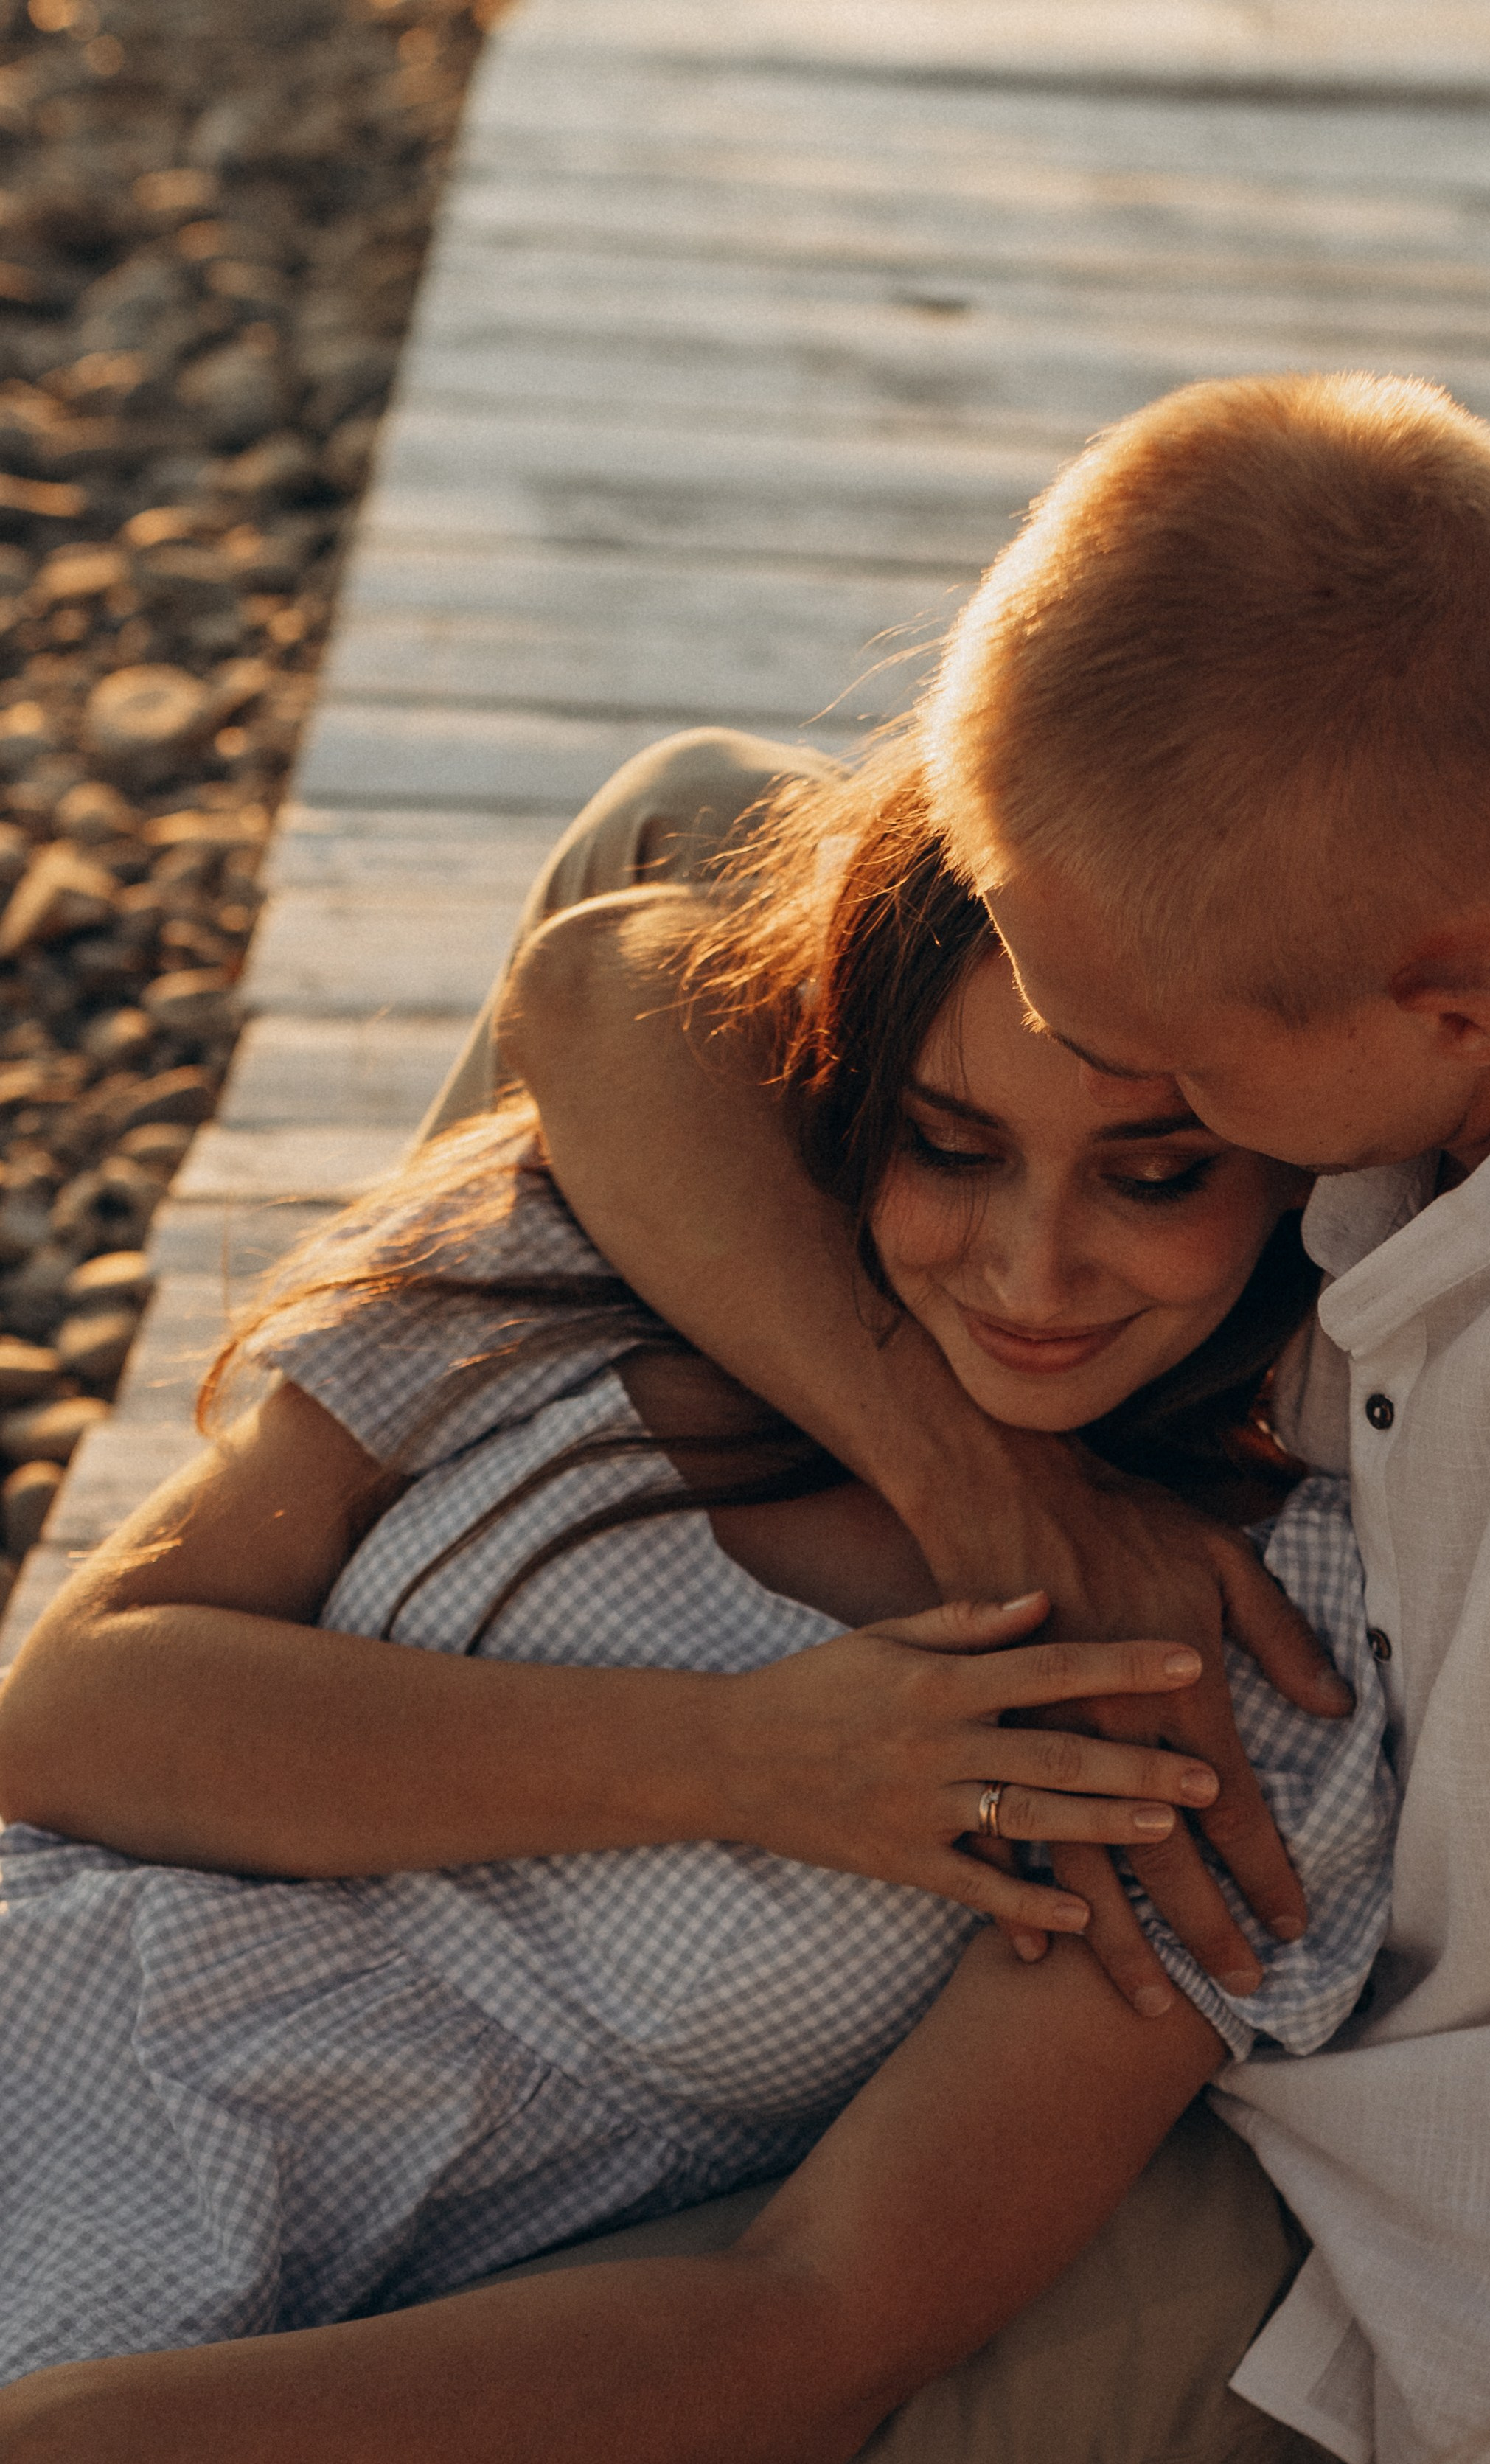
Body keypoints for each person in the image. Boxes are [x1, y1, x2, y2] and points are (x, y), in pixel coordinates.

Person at [497, 372, 1490, 2459]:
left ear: (1450, 1008)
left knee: (616, 2367)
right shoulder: (1415, 941)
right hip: (1060, 1878)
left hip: (1395, 2203)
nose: (1084, 1070)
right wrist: (981, 1479)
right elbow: (632, 903)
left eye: (1152, 1083)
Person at [0, 767, 1389, 2451]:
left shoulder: (1242, 1664)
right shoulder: (620, 1249)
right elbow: (66, 1729)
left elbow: (824, 2316)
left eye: (1154, 1179)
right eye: (948, 1147)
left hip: (203, 2339)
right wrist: (745, 1761)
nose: (1033, 1273)